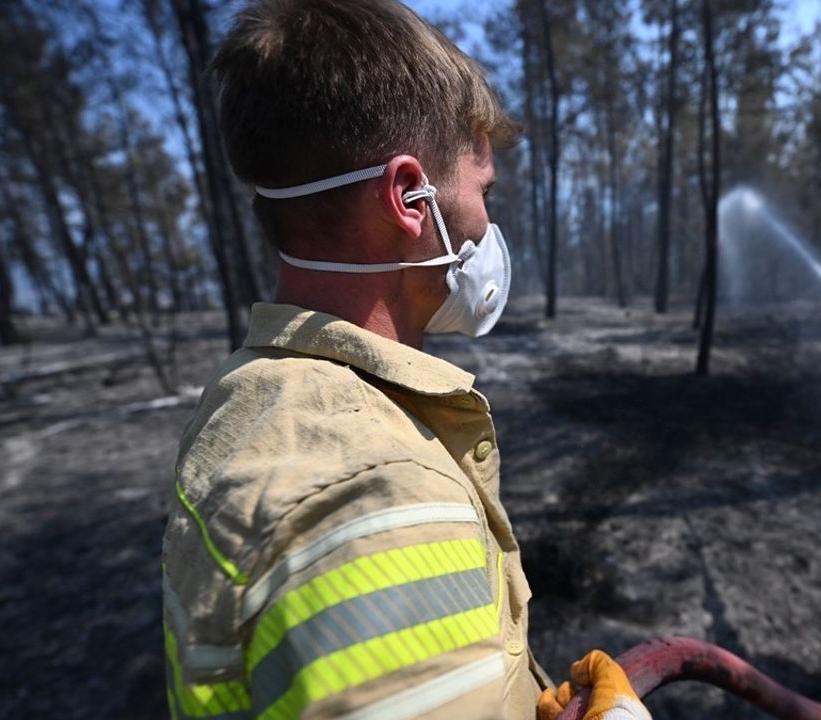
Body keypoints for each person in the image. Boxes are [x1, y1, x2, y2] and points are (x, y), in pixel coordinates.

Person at [160, 2, 647, 719]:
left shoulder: (251, 399)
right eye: (483, 191)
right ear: (408, 198)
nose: (489, 225)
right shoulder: (380, 493)